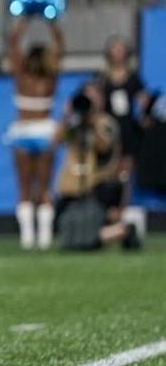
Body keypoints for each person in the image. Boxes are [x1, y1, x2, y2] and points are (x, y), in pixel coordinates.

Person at [54, 86, 141, 251]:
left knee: (79, 241)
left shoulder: (106, 122)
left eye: (94, 98)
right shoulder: (74, 123)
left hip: (97, 187)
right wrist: (66, 116)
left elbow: (104, 147)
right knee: (67, 236)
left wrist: (92, 122)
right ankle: (116, 232)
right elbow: (56, 141)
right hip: (71, 189)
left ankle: (119, 231)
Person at [5, 16, 64, 250]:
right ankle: (42, 236)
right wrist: (50, 22)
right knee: (43, 185)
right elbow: (59, 48)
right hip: (42, 132)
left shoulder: (22, 77)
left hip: (27, 131)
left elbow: (13, 46)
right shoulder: (50, 79)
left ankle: (30, 236)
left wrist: (24, 20)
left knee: (26, 186)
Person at [95, 36, 147, 189]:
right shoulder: (102, 78)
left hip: (127, 126)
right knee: (109, 165)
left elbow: (142, 99)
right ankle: (109, 200)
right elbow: (97, 101)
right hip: (108, 127)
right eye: (114, 49)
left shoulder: (133, 78)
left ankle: (123, 204)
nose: (118, 53)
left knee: (126, 167)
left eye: (120, 50)